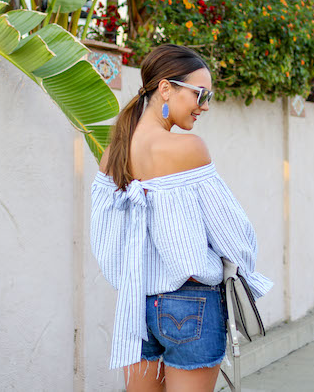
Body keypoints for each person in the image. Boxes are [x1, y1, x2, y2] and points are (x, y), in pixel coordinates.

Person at [90, 43, 273, 391]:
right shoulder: (189, 149)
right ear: (165, 88)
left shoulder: (112, 153)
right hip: (192, 303)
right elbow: (233, 234)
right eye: (199, 94)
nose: (204, 105)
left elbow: (104, 241)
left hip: (135, 305)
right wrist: (245, 267)